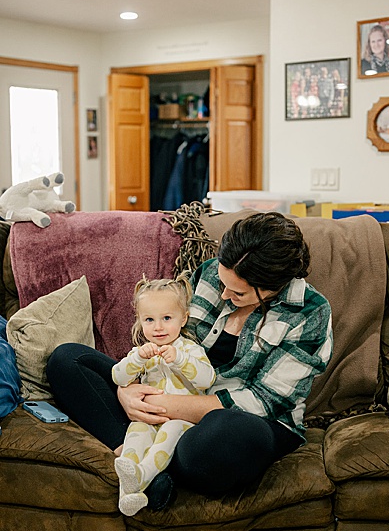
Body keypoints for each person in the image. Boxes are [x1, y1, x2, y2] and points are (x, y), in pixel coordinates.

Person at [47, 212, 333, 509]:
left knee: (224, 438)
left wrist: (155, 406)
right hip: (172, 392)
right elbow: (168, 338)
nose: (223, 293)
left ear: (274, 287)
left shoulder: (309, 313)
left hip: (240, 418)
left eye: (237, 292)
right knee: (67, 360)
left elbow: (264, 401)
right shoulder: (210, 273)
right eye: (222, 281)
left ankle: (147, 462)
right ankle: (142, 470)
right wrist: (126, 391)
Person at [112, 275, 215, 516]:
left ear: (183, 319)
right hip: (150, 419)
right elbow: (118, 377)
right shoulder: (142, 353)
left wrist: (180, 360)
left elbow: (207, 379)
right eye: (149, 319)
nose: (158, 327)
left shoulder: (189, 349)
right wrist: (137, 358)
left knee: (171, 429)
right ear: (139, 321)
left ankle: (142, 476)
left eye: (167, 318)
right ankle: (128, 497)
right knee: (136, 432)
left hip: (184, 423)